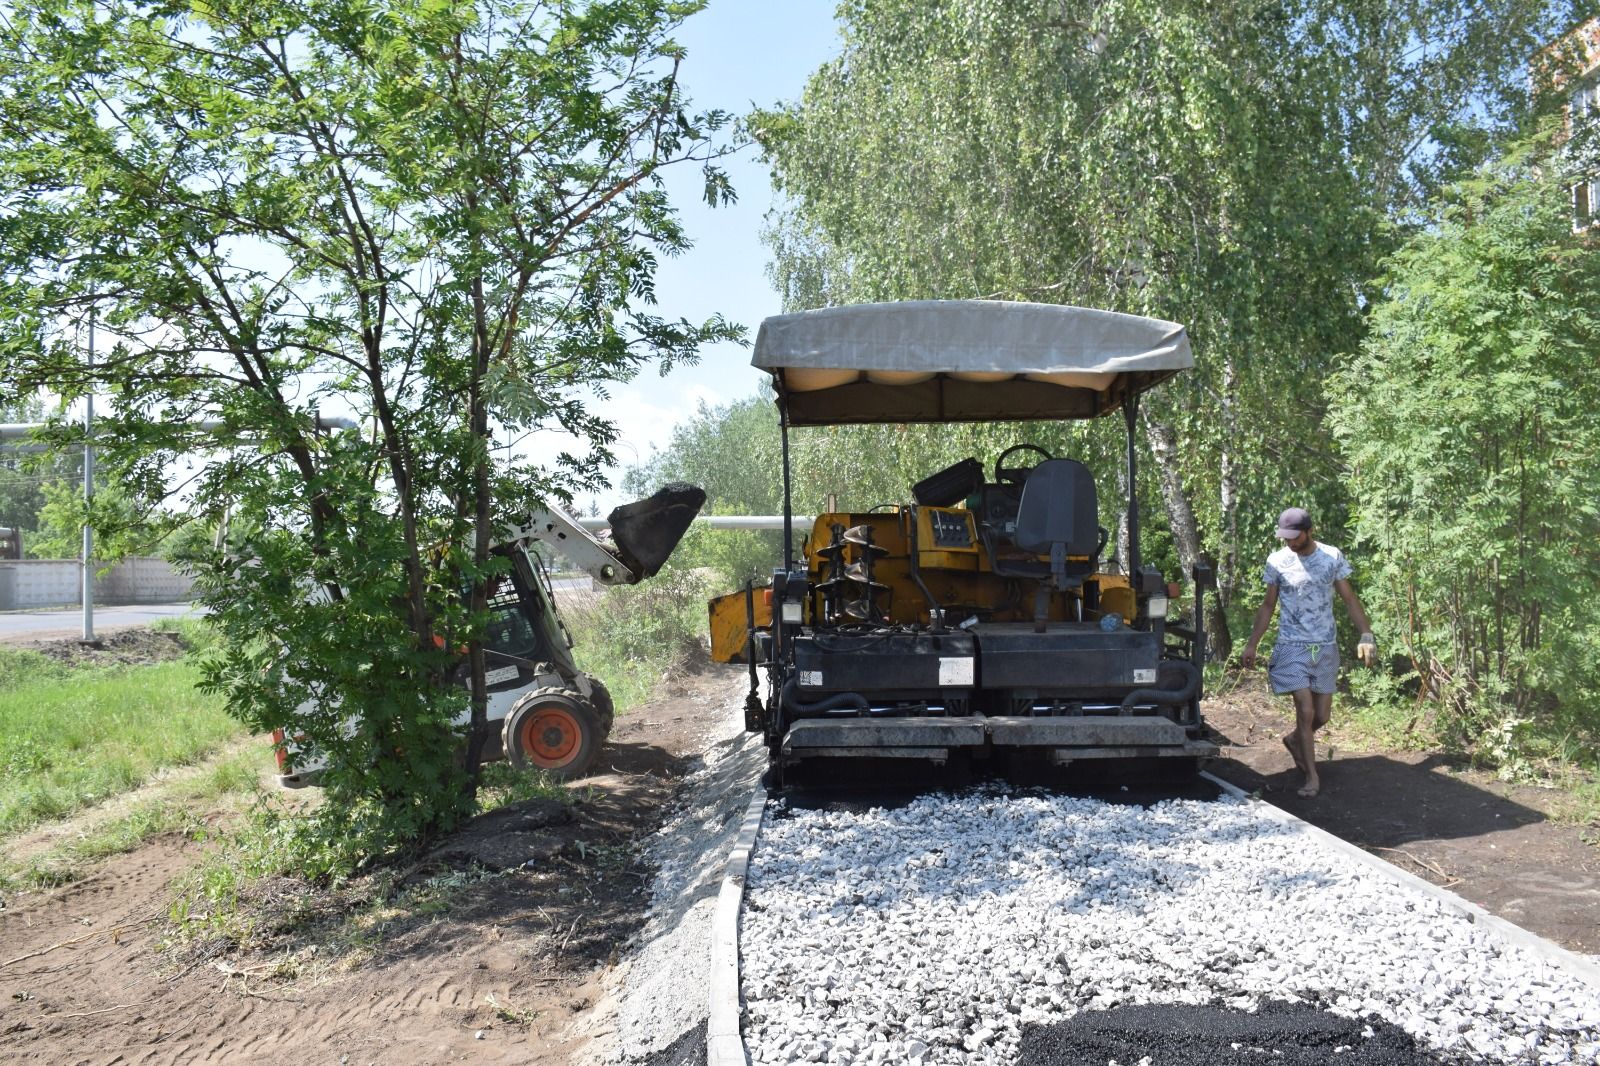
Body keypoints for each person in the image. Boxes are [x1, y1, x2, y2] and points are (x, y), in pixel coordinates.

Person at [1241, 507, 1376, 798]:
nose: (1290, 542)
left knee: (1322, 715)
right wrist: (1252, 643)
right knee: (1305, 709)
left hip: (1324, 645)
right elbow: (1267, 606)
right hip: (1291, 645)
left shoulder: (1331, 557)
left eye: (1294, 536)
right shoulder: (1277, 561)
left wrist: (1366, 633)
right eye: (1285, 537)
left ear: (1309, 531)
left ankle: (1294, 740)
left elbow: (1349, 598)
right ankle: (1311, 776)